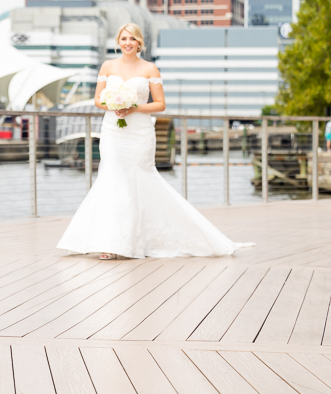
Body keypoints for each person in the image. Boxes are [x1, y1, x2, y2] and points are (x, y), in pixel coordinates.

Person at [56, 23, 252, 259]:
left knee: (140, 180)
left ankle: (143, 240)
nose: (128, 43)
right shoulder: (108, 66)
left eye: (132, 39)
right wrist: (114, 105)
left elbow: (160, 104)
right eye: (123, 38)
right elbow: (98, 99)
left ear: (140, 42)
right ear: (118, 42)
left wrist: (133, 106)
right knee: (111, 179)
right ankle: (109, 243)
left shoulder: (150, 68)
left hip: (138, 132)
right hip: (112, 130)